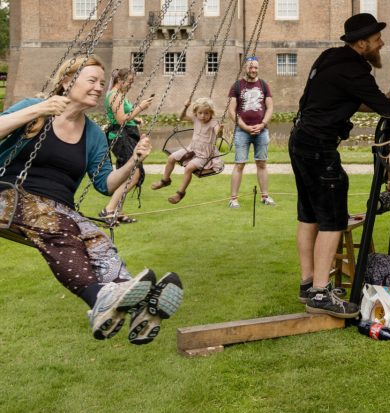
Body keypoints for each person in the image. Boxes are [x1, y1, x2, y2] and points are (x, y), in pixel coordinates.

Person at [0, 56, 183, 344]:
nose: (99, 87)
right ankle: (99, 299)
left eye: (102, 82)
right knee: (58, 226)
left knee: (98, 240)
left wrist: (133, 160)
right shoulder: (33, 109)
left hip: (59, 209)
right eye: (92, 80)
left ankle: (137, 308)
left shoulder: (94, 134)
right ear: (67, 82)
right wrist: (40, 108)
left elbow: (107, 185)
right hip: (9, 195)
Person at [289, 13, 390, 318]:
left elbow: (347, 97)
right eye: (377, 39)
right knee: (333, 219)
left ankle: (308, 283)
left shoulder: (330, 58)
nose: (381, 43)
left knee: (309, 213)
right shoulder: (355, 69)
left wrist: (380, 100)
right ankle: (320, 293)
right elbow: (387, 111)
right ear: (362, 43)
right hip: (318, 146)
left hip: (300, 139)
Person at [101, 67, 154, 223]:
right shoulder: (115, 95)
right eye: (129, 82)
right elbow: (121, 119)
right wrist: (140, 108)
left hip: (126, 135)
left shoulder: (121, 95)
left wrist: (135, 119)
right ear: (120, 81)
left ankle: (118, 210)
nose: (131, 85)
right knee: (134, 173)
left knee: (128, 173)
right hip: (120, 137)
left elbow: (126, 116)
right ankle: (109, 209)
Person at [152, 96, 224, 204]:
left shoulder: (213, 123)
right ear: (196, 112)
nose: (203, 116)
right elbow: (181, 117)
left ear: (211, 113)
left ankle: (180, 193)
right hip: (192, 148)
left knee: (189, 168)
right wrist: (185, 106)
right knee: (171, 158)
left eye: (206, 113)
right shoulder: (195, 119)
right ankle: (165, 180)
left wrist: (220, 130)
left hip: (204, 154)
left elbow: (218, 134)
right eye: (200, 113)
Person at [227, 55, 274, 208]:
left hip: (262, 130)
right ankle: (233, 199)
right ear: (245, 68)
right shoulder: (237, 86)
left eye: (255, 68)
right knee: (239, 164)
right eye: (250, 67)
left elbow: (270, 107)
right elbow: (231, 110)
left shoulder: (264, 85)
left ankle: (265, 196)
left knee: (261, 163)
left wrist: (262, 124)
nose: (253, 70)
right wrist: (244, 127)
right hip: (242, 132)